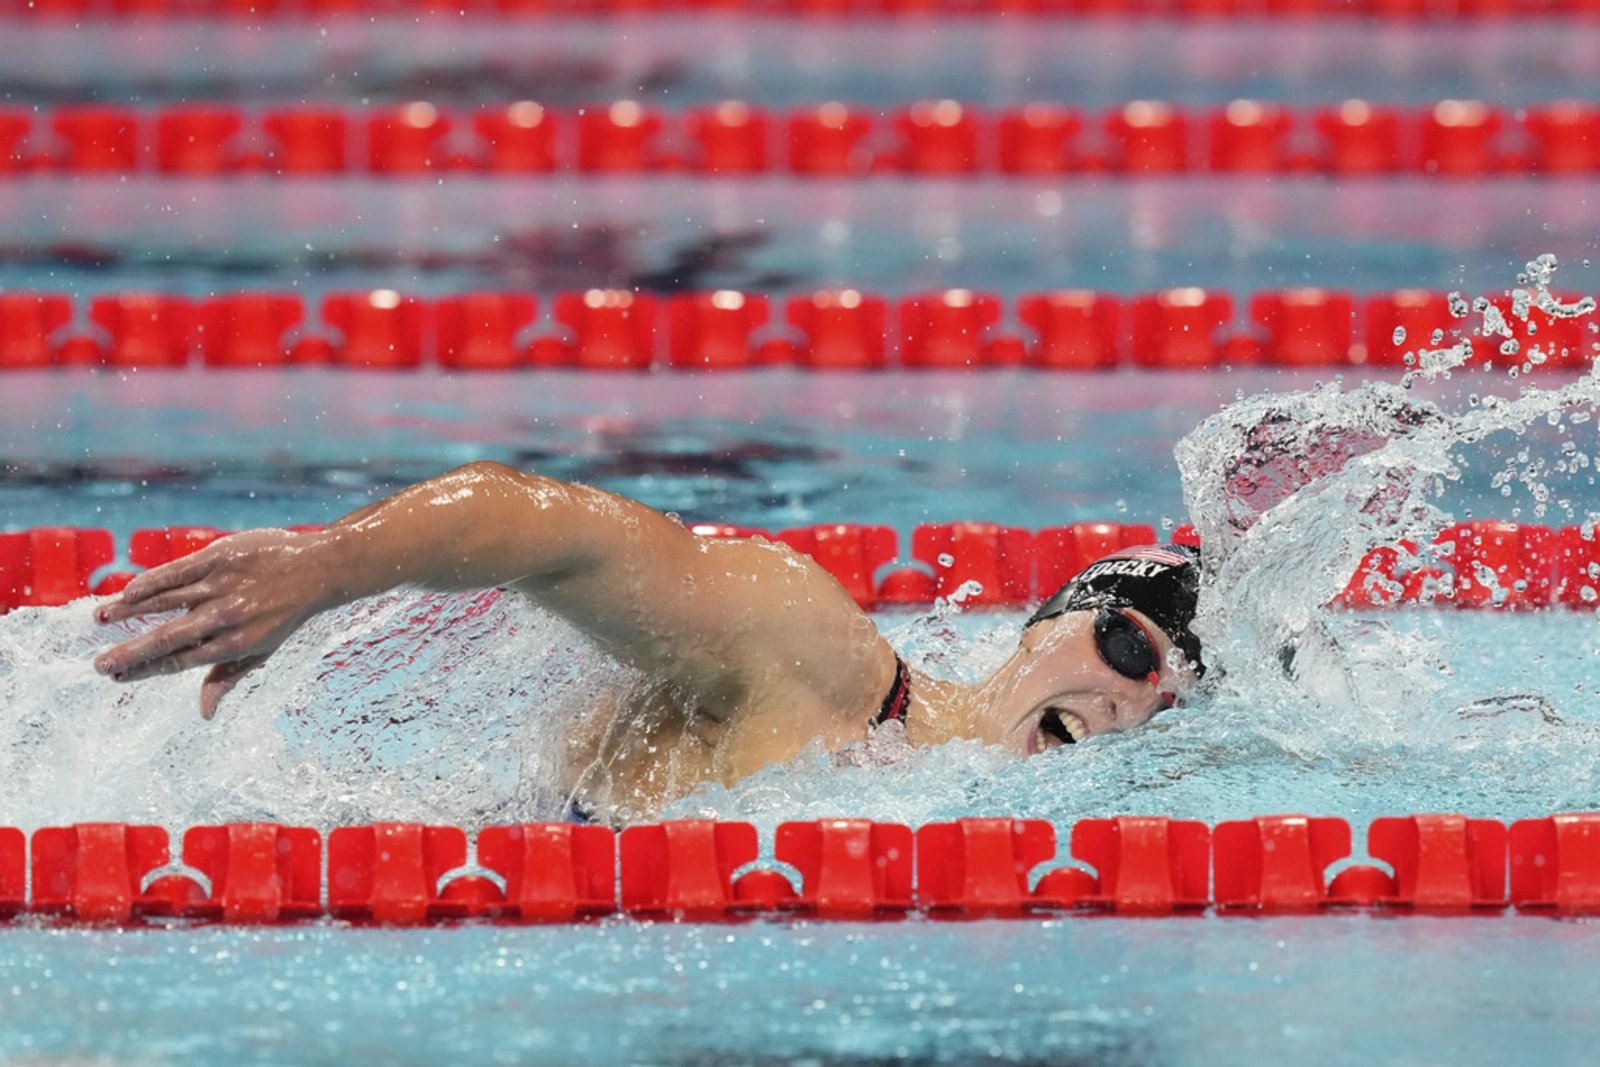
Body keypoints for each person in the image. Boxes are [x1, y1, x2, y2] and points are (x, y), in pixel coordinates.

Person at [92, 461, 1205, 821]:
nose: (1131, 700)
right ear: (1046, 624)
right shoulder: (823, 657)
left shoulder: (961, 816)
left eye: (1168, 702)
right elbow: (551, 529)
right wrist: (322, 568)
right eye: (1127, 648)